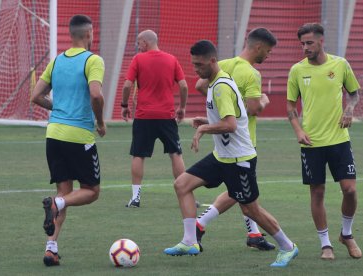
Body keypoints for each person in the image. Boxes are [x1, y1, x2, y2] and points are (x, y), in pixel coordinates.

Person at [164, 40, 298, 268]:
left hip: (240, 159)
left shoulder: (221, 86)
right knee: (182, 185)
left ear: (213, 61)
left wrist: (205, 128)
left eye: (200, 65)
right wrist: (207, 120)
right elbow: (233, 116)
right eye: (194, 64)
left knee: (250, 209)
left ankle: (287, 247)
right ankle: (189, 242)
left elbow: (231, 125)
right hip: (222, 156)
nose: (196, 69)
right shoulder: (215, 82)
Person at [31, 14, 106, 266]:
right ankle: (56, 203)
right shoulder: (93, 60)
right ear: (88, 34)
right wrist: (101, 122)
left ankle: (50, 249)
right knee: (91, 192)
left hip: (53, 135)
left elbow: (36, 96)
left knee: (64, 190)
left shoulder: (57, 61)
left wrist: (58, 107)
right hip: (78, 136)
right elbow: (96, 95)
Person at [194, 28, 276, 251]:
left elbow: (200, 85)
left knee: (242, 191)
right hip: (242, 140)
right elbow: (252, 108)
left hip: (225, 140)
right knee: (240, 192)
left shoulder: (225, 64)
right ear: (258, 47)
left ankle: (254, 234)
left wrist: (224, 106)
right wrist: (264, 101)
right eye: (267, 51)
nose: (268, 56)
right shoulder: (252, 73)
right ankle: (199, 224)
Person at [286, 23, 361, 260]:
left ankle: (346, 235)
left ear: (321, 41)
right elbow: (290, 105)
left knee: (349, 190)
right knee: (317, 193)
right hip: (312, 143)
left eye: (309, 43)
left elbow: (354, 93)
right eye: (302, 44)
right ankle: (325, 244)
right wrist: (298, 130)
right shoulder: (297, 70)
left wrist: (349, 109)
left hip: (339, 139)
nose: (305, 48)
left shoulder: (340, 64)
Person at [121, 29, 188, 208]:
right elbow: (183, 86)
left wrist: (124, 105)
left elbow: (127, 85)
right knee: (175, 153)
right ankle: (186, 194)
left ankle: (135, 198)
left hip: (144, 116)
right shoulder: (171, 59)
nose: (137, 45)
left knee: (138, 154)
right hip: (167, 115)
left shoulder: (138, 59)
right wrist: (181, 107)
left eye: (139, 42)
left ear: (146, 42)